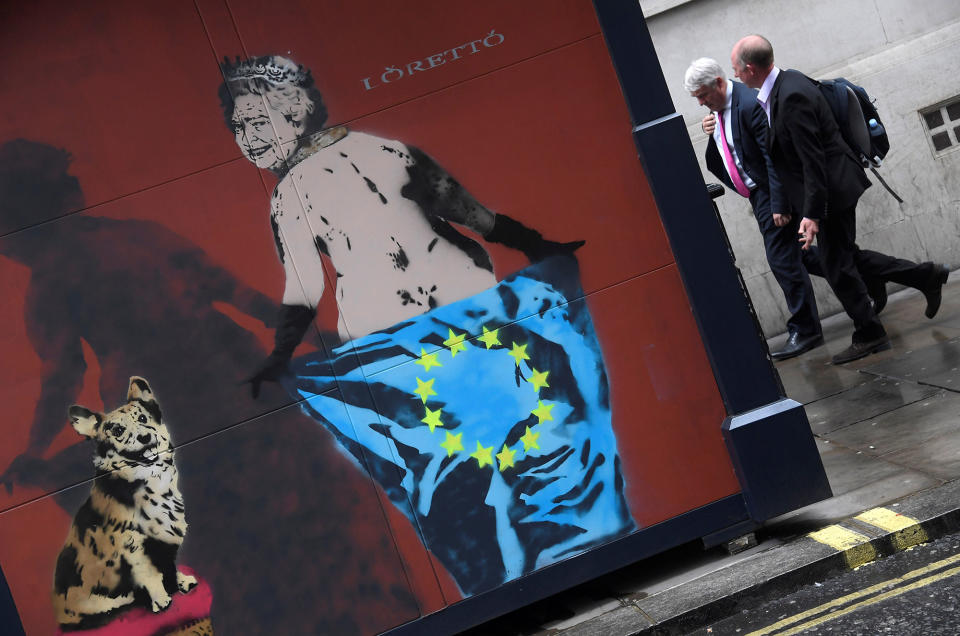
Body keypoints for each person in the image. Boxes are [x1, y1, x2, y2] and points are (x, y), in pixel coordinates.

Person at [218, 55, 636, 594]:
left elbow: (304, 289)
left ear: (293, 111)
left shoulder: (291, 195)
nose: (246, 137)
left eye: (255, 120)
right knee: (531, 437)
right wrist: (537, 245)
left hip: (395, 343)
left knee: (456, 471)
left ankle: (517, 579)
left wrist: (280, 355)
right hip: (473, 313)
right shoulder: (387, 151)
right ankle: (563, 556)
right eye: (237, 125)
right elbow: (473, 216)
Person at [731, 35, 950, 364]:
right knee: (845, 258)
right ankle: (925, 275)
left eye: (736, 71)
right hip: (832, 187)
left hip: (833, 190)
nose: (736, 76)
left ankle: (870, 333)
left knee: (837, 266)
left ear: (750, 70)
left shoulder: (790, 96)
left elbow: (812, 159)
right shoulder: (786, 83)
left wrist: (812, 214)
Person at [685, 57, 822, 360]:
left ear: (719, 83)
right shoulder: (720, 111)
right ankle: (869, 277)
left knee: (782, 261)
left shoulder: (748, 103)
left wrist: (779, 203)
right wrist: (713, 133)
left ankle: (806, 329)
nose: (701, 103)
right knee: (806, 257)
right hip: (759, 196)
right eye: (697, 99)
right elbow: (724, 155)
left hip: (771, 195)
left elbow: (773, 157)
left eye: (703, 95)